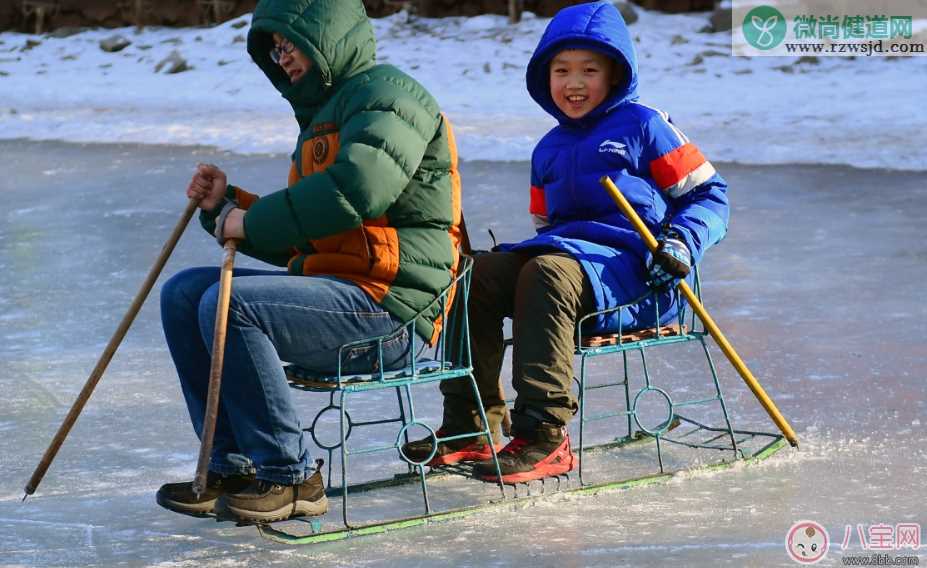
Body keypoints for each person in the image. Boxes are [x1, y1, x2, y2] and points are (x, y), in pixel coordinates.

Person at [156, 0, 463, 523]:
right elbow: (311, 234)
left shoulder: (390, 96)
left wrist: (248, 223)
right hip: (342, 296)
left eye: (289, 43)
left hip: (395, 311)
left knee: (232, 307)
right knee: (184, 293)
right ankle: (233, 466)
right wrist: (229, 208)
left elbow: (355, 190)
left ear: (327, 33)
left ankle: (290, 475)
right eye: (274, 50)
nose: (282, 58)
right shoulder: (325, 117)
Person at [404, 0, 730, 484]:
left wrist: (681, 245)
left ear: (615, 74)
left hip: (640, 273)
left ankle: (543, 435)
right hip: (570, 266)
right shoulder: (548, 148)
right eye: (561, 70)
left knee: (547, 271)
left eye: (588, 70)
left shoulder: (645, 126)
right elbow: (544, 225)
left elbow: (710, 196)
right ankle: (470, 424)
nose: (573, 83)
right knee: (473, 273)